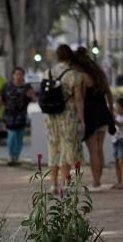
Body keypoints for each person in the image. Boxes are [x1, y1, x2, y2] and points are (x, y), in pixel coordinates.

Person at [74, 46, 116, 191]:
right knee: (99, 149)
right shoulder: (99, 73)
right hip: (103, 112)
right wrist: (110, 111)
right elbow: (109, 94)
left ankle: (96, 183)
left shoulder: (81, 76)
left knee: (93, 150)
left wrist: (81, 118)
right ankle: (98, 180)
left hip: (90, 114)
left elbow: (80, 99)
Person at [43, 44, 84, 194]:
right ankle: (66, 184)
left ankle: (53, 185)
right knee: (67, 148)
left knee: (53, 148)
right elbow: (78, 99)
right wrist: (81, 118)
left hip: (50, 116)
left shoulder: (47, 72)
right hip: (68, 115)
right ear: (70, 56)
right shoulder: (74, 75)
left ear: (57, 56)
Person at [0, 67, 36, 165]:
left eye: (21, 74)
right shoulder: (7, 86)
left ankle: (16, 156)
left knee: (19, 137)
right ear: (13, 75)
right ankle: (11, 155)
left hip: (21, 115)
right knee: (11, 136)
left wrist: (32, 95)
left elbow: (35, 100)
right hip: (9, 115)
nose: (18, 76)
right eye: (16, 74)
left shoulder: (27, 87)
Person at [113, 98, 123, 189]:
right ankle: (119, 181)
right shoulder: (116, 116)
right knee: (116, 161)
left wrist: (113, 120)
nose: (116, 108)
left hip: (121, 141)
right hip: (115, 141)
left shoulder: (119, 117)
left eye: (118, 107)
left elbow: (120, 124)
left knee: (121, 161)